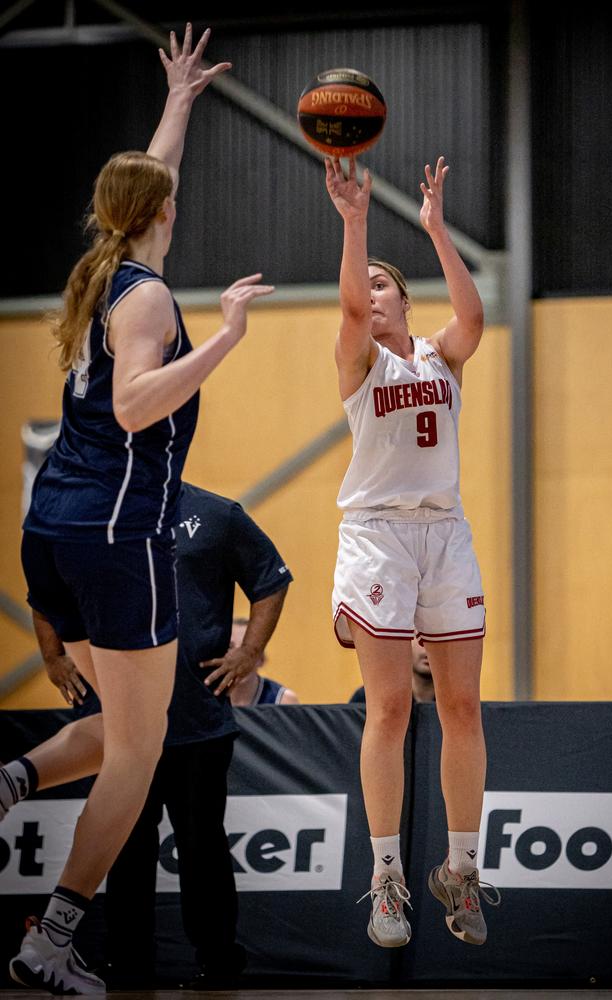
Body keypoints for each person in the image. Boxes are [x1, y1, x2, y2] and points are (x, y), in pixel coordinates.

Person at [0, 25, 273, 996]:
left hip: (56, 523)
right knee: (139, 747)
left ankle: (12, 782)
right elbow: (132, 403)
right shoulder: (148, 298)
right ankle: (53, 939)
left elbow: (146, 179)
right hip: (119, 535)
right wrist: (227, 340)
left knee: (122, 726)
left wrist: (180, 100)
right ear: (161, 214)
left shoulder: (107, 261)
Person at [324, 154, 500, 950]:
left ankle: (461, 870)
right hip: (377, 536)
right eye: (374, 286)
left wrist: (433, 229)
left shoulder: (440, 356)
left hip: (444, 531)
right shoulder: (359, 360)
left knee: (461, 705)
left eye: (389, 286)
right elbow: (352, 310)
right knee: (390, 708)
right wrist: (356, 222)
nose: (376, 296)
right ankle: (385, 877)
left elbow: (473, 318)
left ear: (407, 300)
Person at [36, 481, 292, 989]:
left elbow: (271, 578)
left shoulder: (215, 514)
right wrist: (53, 657)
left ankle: (219, 964)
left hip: (197, 722)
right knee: (125, 847)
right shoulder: (91, 515)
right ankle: (128, 966)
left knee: (203, 849)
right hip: (120, 726)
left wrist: (247, 652)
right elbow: (46, 590)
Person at [226, 617, 299, 706]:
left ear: (261, 659)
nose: (238, 657)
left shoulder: (283, 700)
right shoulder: (207, 697)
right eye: (230, 647)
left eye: (246, 648)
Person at [349, 638, 435, 704]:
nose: (426, 648)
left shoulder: (448, 699)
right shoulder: (368, 698)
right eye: (419, 637)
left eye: (435, 638)